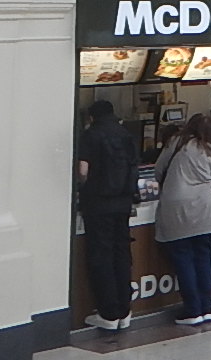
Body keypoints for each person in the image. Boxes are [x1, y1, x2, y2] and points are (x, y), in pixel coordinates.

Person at [77, 99, 140, 332]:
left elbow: (83, 171)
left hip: (98, 205)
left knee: (101, 257)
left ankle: (108, 313)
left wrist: (82, 185)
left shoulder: (91, 135)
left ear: (92, 117)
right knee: (121, 254)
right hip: (123, 205)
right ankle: (125, 312)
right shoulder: (126, 135)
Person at [153, 113, 211, 327]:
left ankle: (192, 310)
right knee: (203, 256)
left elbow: (158, 170)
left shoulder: (175, 143)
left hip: (177, 208)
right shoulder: (208, 149)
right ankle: (207, 307)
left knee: (183, 258)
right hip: (205, 208)